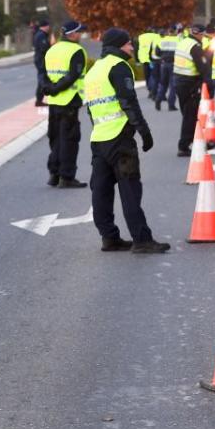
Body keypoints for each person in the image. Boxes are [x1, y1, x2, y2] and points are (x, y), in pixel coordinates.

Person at [84, 28, 170, 254]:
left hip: (99, 138)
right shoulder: (119, 67)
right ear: (119, 45)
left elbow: (91, 111)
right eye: (129, 43)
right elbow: (128, 102)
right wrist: (144, 131)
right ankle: (142, 240)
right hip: (120, 139)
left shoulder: (94, 71)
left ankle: (109, 238)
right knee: (130, 188)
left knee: (100, 191)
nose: (132, 47)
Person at [43, 20, 89, 188]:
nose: (80, 35)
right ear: (72, 34)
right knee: (69, 140)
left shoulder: (52, 50)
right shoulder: (77, 51)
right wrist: (56, 89)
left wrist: (49, 89)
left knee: (55, 139)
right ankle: (67, 177)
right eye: (79, 32)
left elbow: (44, 73)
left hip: (54, 102)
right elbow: (72, 76)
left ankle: (54, 174)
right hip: (69, 100)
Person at [173, 24, 212, 156]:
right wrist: (209, 86)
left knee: (188, 114)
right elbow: (203, 68)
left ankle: (197, 140)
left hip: (179, 82)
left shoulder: (183, 43)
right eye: (203, 35)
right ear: (200, 34)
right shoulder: (195, 47)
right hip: (190, 84)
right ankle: (183, 146)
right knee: (190, 116)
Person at [153, 25, 178, 111]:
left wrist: (163, 57)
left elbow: (157, 53)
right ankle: (171, 105)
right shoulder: (178, 40)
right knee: (173, 86)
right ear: (175, 31)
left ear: (168, 31)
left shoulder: (162, 40)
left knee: (163, 84)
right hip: (174, 64)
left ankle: (158, 100)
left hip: (163, 64)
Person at [136, 27, 162, 100]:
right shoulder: (157, 36)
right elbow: (159, 47)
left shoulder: (141, 37)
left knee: (147, 76)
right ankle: (154, 91)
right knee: (154, 76)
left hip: (144, 59)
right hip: (153, 59)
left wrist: (137, 60)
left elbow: (136, 48)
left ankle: (150, 90)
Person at [33, 19, 52, 107]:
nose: (49, 28)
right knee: (42, 80)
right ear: (45, 26)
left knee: (43, 79)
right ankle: (39, 100)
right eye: (48, 26)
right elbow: (44, 48)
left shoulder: (41, 34)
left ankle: (39, 100)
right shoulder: (41, 36)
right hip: (41, 60)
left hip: (41, 59)